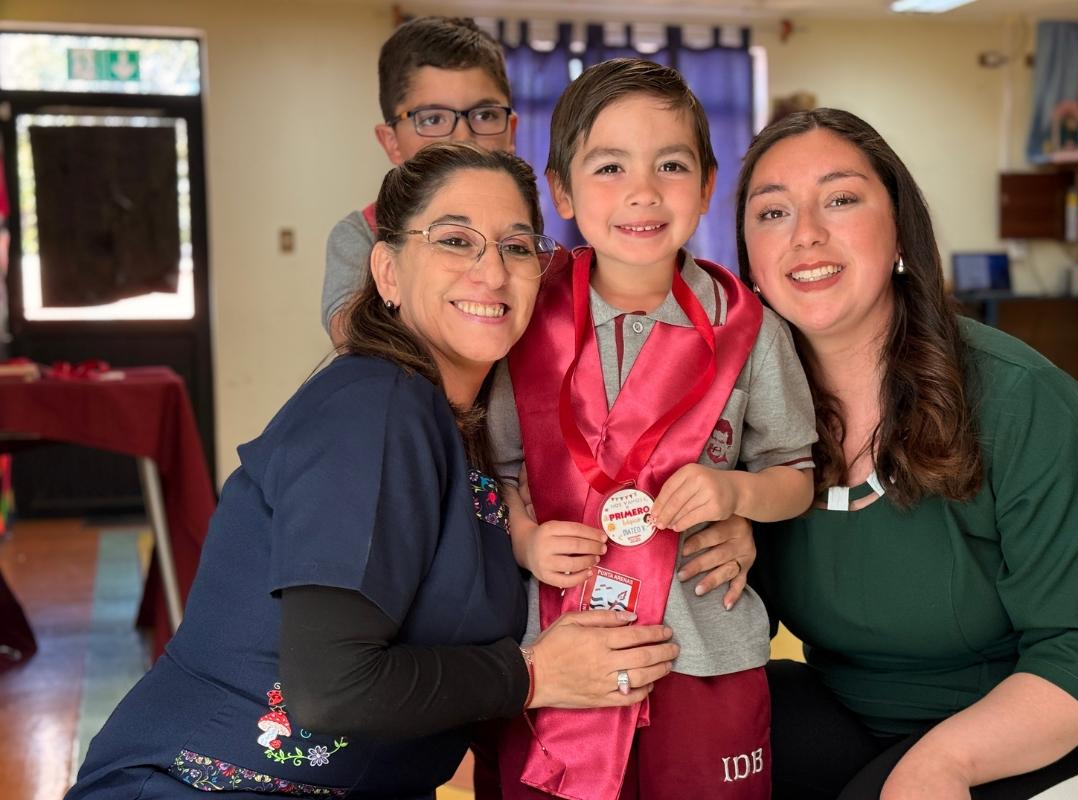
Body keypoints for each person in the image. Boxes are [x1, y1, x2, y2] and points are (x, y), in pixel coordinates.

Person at [65, 143, 685, 800]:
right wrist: (533, 674)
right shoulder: (375, 405)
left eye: (516, 246)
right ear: (387, 272)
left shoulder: (468, 430)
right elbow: (330, 689)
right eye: (454, 240)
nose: (492, 271)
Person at [737, 108, 1078, 799]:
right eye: (772, 213)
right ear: (750, 263)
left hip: (1065, 729)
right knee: (703, 738)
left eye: (842, 199)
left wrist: (943, 764)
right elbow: (734, 614)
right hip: (861, 715)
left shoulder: (1022, 400)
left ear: (900, 237)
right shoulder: (749, 418)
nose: (806, 235)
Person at [490, 59, 817, 800]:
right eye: (609, 167)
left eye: (670, 165)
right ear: (561, 190)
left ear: (706, 186)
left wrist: (737, 494)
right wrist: (525, 539)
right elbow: (497, 474)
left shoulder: (748, 325)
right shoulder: (524, 319)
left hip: (704, 651)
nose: (642, 191)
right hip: (559, 649)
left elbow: (796, 478)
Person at [322, 16, 517, 346]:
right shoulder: (361, 236)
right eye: (432, 119)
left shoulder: (532, 244)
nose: (462, 138)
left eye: (484, 115)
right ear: (391, 142)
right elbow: (355, 337)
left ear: (511, 131)